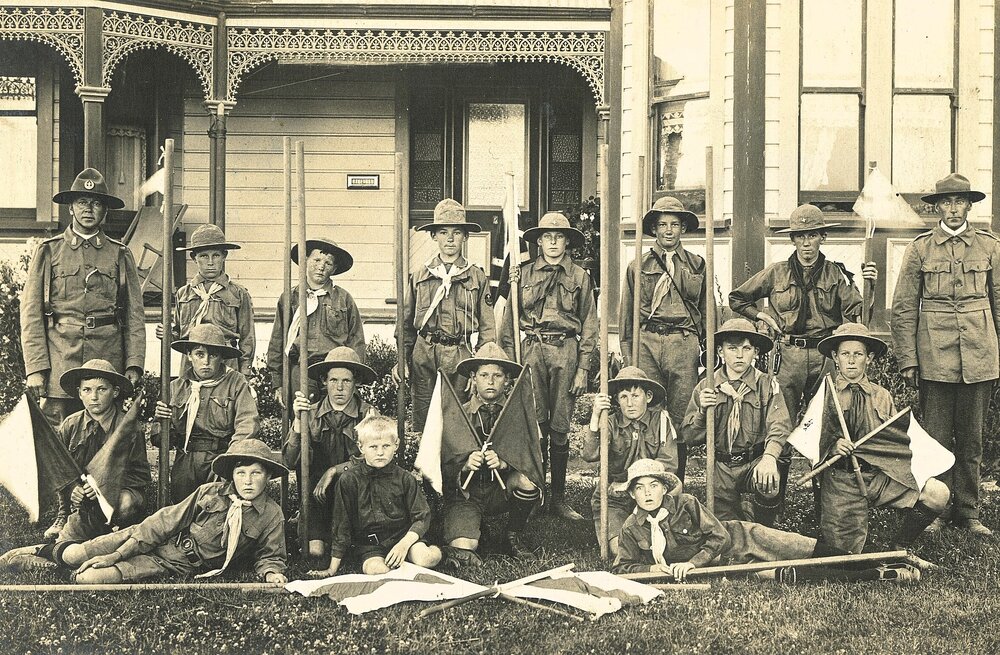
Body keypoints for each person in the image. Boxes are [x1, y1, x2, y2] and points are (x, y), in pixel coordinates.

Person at [891, 173, 1000, 536]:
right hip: (934, 358)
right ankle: (936, 508)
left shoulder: (989, 246)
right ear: (936, 208)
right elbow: (904, 307)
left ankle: (968, 512)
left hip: (980, 355)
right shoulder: (920, 248)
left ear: (969, 205)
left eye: (959, 202)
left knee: (971, 439)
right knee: (935, 439)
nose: (953, 210)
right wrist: (908, 359)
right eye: (946, 203)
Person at [611, 459, 923, 583]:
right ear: (633, 494)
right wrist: (652, 568)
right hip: (729, 567)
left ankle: (887, 559)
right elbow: (622, 568)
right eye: (640, 488)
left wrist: (692, 562)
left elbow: (718, 536)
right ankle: (881, 575)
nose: (647, 493)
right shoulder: (631, 527)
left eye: (654, 486)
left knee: (808, 550)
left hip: (744, 538)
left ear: (665, 488)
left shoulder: (686, 503)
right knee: (788, 576)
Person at [46, 439, 288, 585]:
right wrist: (116, 555)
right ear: (232, 475)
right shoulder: (209, 492)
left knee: (89, 579)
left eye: (255, 473)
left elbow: (271, 555)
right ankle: (37, 554)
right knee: (74, 555)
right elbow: (162, 524)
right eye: (241, 473)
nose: (247, 481)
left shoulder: (271, 514)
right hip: (147, 537)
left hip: (174, 564)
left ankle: (58, 567)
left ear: (268, 476)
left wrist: (271, 574)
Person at [729, 204, 876, 423]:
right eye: (800, 236)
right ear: (793, 240)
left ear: (822, 237)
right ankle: (782, 458)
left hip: (823, 355)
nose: (806, 243)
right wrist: (763, 316)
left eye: (813, 235)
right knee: (781, 416)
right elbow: (737, 298)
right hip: (787, 355)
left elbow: (859, 318)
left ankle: (821, 459)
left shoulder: (835, 274)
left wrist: (870, 286)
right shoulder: (776, 272)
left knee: (825, 417)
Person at [20, 168, 145, 428]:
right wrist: (36, 368)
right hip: (61, 359)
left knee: (105, 438)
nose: (89, 209)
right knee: (59, 440)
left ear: (105, 211)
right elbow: (31, 314)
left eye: (96, 203)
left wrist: (134, 363)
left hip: (107, 358)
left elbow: (134, 314)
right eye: (82, 202)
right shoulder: (49, 252)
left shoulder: (120, 254)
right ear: (71, 209)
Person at [813, 323, 949, 557]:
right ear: (835, 357)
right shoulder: (825, 394)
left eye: (858, 354)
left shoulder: (882, 396)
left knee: (938, 493)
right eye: (845, 354)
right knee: (844, 556)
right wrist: (833, 445)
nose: (852, 360)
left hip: (878, 476)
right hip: (842, 480)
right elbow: (812, 441)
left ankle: (900, 545)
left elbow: (895, 440)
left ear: (870, 358)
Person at [499, 212, 597, 522]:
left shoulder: (580, 277)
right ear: (539, 241)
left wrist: (583, 368)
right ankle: (535, 493)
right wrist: (512, 366)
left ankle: (558, 498)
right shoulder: (522, 275)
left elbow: (590, 326)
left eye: (559, 236)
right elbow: (508, 325)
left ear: (568, 241)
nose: (553, 242)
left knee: (560, 427)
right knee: (535, 423)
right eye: (547, 237)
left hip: (565, 352)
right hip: (531, 352)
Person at [620, 196, 706, 481]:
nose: (668, 231)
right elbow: (626, 319)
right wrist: (629, 356)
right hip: (648, 341)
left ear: (683, 228)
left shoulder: (697, 265)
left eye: (674, 225)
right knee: (648, 412)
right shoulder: (637, 266)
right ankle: (646, 482)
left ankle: (675, 482)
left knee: (681, 416)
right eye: (662, 225)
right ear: (654, 229)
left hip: (683, 343)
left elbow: (706, 313)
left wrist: (706, 350)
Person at [396, 198, 495, 432]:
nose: (450, 239)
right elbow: (406, 324)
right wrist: (401, 359)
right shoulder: (420, 275)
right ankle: (425, 469)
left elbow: (488, 329)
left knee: (459, 421)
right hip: (425, 354)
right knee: (423, 419)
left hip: (460, 355)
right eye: (443, 232)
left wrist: (479, 369)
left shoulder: (476, 277)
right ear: (434, 236)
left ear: (466, 237)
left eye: (457, 232)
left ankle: (454, 469)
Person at [440, 343, 542, 568]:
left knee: (527, 483)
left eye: (498, 375)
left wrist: (506, 463)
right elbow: (442, 465)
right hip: (467, 495)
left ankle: (512, 534)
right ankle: (474, 529)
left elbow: (531, 458)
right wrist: (465, 465)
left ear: (507, 380)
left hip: (501, 489)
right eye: (484, 375)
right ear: (473, 378)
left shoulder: (517, 415)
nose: (491, 380)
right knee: (464, 547)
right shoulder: (459, 415)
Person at [682, 318, 792, 526]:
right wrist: (703, 412)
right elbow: (689, 436)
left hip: (755, 462)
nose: (740, 355)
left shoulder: (766, 385)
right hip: (721, 467)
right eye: (732, 348)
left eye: (746, 348)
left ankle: (765, 523)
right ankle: (741, 515)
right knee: (728, 531)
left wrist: (769, 458)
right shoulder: (707, 386)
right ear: (721, 352)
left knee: (769, 486)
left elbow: (780, 424)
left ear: (756, 352)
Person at [308, 415, 441, 577]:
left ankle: (442, 552)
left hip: (403, 538)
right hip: (370, 545)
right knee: (377, 571)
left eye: (386, 446)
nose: (380, 453)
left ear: (396, 445)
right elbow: (341, 523)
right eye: (373, 447)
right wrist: (331, 569)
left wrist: (404, 544)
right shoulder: (349, 479)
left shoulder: (405, 479)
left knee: (425, 559)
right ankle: (398, 565)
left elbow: (422, 516)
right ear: (361, 447)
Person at [41, 359, 150, 542]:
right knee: (66, 540)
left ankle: (119, 530)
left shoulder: (129, 427)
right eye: (87, 390)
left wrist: (104, 486)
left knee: (126, 504)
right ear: (79, 393)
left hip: (119, 493)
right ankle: (65, 515)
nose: (94, 397)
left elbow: (140, 475)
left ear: (115, 392)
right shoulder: (70, 425)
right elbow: (60, 470)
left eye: (102, 389)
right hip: (84, 497)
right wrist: (73, 489)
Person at [284, 346, 377, 560]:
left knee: (354, 551)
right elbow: (290, 460)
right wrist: (298, 422)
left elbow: (372, 461)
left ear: (357, 383)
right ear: (324, 382)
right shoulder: (311, 412)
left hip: (356, 498)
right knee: (315, 552)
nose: (340, 388)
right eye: (334, 380)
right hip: (318, 498)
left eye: (346, 381)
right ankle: (311, 526)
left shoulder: (367, 413)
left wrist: (334, 470)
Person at [153, 323, 259, 502]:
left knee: (217, 510)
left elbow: (247, 425)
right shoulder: (175, 387)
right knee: (182, 512)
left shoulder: (236, 383)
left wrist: (228, 463)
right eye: (199, 354)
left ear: (222, 358)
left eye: (213, 355)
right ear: (189, 356)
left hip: (219, 458)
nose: (206, 361)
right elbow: (159, 439)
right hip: (186, 460)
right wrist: (162, 420)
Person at [582, 366, 680, 556]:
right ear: (617, 400)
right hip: (615, 497)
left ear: (648, 397)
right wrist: (595, 417)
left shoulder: (661, 421)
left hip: (651, 494)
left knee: (677, 488)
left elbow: (669, 464)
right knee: (620, 550)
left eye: (635, 396)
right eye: (624, 397)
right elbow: (589, 455)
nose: (630, 403)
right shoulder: (610, 422)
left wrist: (636, 481)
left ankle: (655, 534)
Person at [266, 238, 365, 405]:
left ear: (334, 269)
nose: (321, 266)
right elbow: (277, 341)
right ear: (305, 261)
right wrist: (278, 383)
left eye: (328, 263)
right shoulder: (291, 298)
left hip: (334, 370)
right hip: (301, 369)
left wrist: (355, 376)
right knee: (302, 419)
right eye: (317, 260)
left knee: (335, 419)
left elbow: (357, 340)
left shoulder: (343, 299)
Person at [164, 224, 255, 374]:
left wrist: (245, 371)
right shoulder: (184, 294)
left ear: (224, 256)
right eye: (204, 256)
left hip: (226, 360)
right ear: (194, 258)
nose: (210, 262)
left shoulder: (238, 293)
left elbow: (247, 337)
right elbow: (178, 334)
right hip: (193, 362)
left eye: (216, 255)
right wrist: (166, 334)